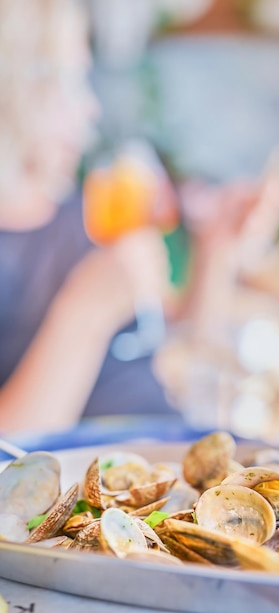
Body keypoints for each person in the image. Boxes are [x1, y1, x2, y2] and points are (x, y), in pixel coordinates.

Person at [0, 0, 176, 434]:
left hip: (166, 455)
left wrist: (218, 254)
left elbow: (167, 341)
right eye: (71, 83)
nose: (91, 110)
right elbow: (12, 466)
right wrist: (86, 311)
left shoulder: (84, 214)